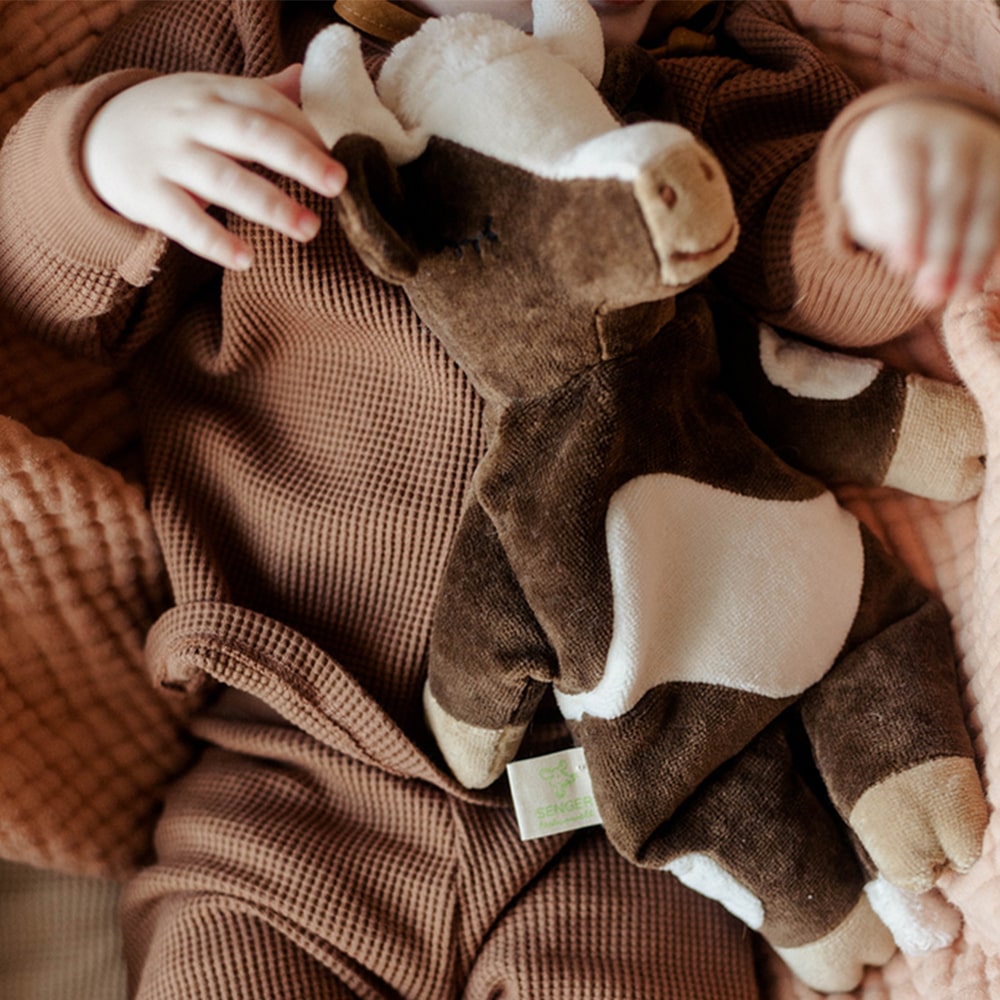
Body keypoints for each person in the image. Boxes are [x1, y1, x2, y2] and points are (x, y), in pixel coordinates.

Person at [0, 1, 998, 997]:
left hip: (618, 814)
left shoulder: (675, 88)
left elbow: (821, 265)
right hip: (292, 773)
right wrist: (103, 154)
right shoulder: (256, 45)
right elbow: (42, 289)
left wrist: (885, 172)